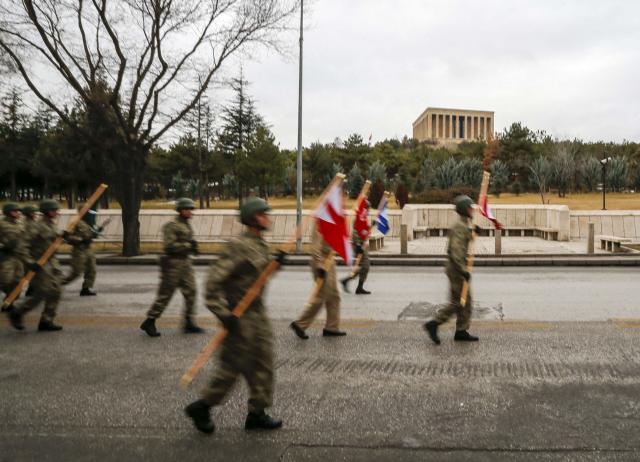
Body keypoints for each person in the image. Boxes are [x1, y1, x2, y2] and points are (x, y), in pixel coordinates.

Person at [185, 197, 284, 434]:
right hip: (240, 317)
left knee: (264, 364)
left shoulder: (260, 244)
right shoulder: (237, 246)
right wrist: (224, 314)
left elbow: (256, 279)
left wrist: (276, 264)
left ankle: (257, 413)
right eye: (264, 214)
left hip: (258, 316)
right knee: (231, 369)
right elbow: (212, 286)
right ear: (253, 219)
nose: (268, 218)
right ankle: (202, 406)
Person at [140, 198, 203, 337]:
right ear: (181, 210)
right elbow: (169, 246)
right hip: (172, 265)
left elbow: (185, 243)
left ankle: (189, 322)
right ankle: (150, 321)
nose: (191, 211)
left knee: (191, 292)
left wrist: (193, 248)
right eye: (188, 209)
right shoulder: (172, 226)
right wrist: (188, 245)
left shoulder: (186, 225)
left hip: (185, 264)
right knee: (165, 294)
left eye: (191, 209)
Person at [423, 195, 479, 344]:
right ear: (463, 210)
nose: (472, 210)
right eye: (469, 208)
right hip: (456, 268)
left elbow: (465, 240)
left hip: (457, 267)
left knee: (464, 301)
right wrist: (463, 270)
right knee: (458, 302)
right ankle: (434, 324)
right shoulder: (459, 227)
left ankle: (461, 331)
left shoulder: (463, 224)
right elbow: (456, 251)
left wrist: (474, 232)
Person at [8, 199, 64, 332]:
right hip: (39, 263)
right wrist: (30, 262)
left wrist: (63, 236)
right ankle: (18, 312)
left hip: (52, 262)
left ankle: (46, 320)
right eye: (54, 210)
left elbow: (52, 240)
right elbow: (22, 247)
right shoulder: (36, 226)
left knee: (56, 291)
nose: (56, 212)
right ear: (47, 211)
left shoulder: (51, 225)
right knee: (43, 291)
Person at [289, 225, 346, 339]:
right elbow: (315, 245)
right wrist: (320, 264)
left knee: (334, 295)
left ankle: (331, 327)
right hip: (321, 261)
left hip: (330, 259)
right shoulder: (322, 218)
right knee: (322, 295)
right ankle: (300, 324)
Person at [62, 205, 101, 296]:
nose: (89, 213)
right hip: (79, 250)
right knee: (76, 272)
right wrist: (80, 239)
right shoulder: (75, 222)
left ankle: (86, 288)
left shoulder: (88, 222)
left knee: (92, 269)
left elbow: (90, 234)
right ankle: (55, 285)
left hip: (87, 249)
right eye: (87, 211)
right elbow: (67, 237)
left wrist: (98, 231)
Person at [0, 203, 28, 312]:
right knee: (5, 280)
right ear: (8, 212)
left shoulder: (20, 224)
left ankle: (9, 301)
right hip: (6, 256)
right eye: (15, 211)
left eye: (18, 211)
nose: (18, 213)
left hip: (18, 257)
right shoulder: (2, 225)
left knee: (18, 281)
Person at [340, 200, 371, 295]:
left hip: (361, 245)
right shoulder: (359, 218)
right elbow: (355, 232)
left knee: (362, 266)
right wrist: (357, 245)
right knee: (365, 265)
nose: (368, 210)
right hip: (358, 246)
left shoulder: (363, 218)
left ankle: (354, 284)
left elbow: (363, 231)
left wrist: (370, 226)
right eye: (367, 208)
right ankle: (349, 281)